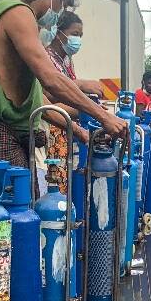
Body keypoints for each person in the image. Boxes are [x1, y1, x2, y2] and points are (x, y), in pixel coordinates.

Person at [0, 0, 127, 208]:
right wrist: (104, 116)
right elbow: (51, 79)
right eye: (61, 4)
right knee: (5, 226)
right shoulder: (18, 12)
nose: (58, 12)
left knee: (14, 221)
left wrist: (79, 131)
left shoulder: (5, 10)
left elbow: (39, 100)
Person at [43, 10, 100, 192]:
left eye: (80, 36)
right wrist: (84, 100)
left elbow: (70, 95)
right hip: (52, 129)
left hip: (68, 131)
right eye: (75, 34)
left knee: (70, 184)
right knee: (56, 187)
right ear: (58, 32)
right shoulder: (45, 58)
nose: (78, 40)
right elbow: (48, 98)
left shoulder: (67, 60)